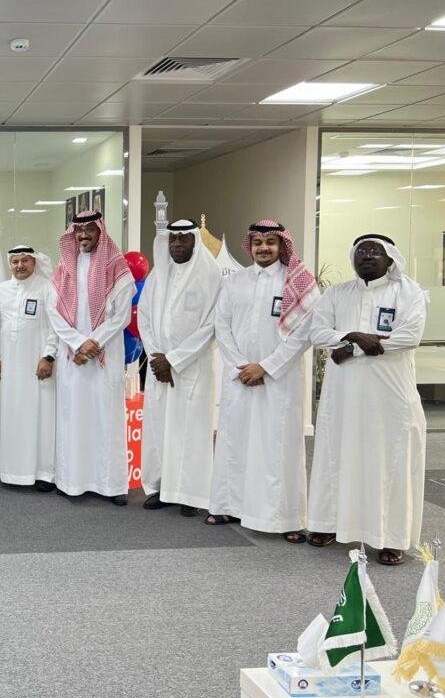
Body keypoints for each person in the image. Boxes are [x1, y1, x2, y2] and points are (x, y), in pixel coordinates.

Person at [307, 234, 428, 565]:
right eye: (361, 251)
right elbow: (317, 333)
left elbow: (409, 336)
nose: (367, 256)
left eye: (376, 251)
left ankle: (392, 538)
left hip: (390, 396)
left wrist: (350, 349)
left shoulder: (409, 292)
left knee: (389, 460)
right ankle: (328, 524)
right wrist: (353, 338)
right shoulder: (336, 293)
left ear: (390, 259)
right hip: (343, 395)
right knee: (337, 455)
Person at [208, 220, 318, 543]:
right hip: (239, 377)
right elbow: (221, 326)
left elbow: (303, 334)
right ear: (250, 246)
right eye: (258, 242)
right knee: (235, 442)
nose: (263, 248)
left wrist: (266, 367)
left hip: (279, 380)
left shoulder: (298, 283)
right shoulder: (235, 281)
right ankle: (229, 506)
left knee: (277, 446)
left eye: (270, 241)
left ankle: (286, 518)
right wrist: (241, 365)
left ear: (282, 244)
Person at [48, 211, 134, 504]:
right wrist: (78, 343)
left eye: (89, 229)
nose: (83, 235)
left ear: (100, 231)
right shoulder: (64, 267)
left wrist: (92, 343)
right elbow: (54, 313)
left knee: (107, 419)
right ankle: (71, 482)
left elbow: (122, 316)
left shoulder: (117, 266)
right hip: (73, 356)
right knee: (73, 418)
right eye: (78, 230)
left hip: (104, 355)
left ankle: (112, 486)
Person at [139, 219, 221, 517]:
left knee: (190, 430)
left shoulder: (210, 275)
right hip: (158, 366)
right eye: (173, 239)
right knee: (159, 427)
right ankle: (160, 487)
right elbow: (144, 317)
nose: (176, 244)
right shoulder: (158, 274)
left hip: (191, 368)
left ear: (195, 241)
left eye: (183, 238)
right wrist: (156, 356)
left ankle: (190, 493)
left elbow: (212, 325)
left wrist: (173, 359)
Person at [0, 245, 58, 490]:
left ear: (34, 262)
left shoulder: (47, 287)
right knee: (12, 414)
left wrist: (49, 355)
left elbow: (55, 326)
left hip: (37, 363)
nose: (20, 266)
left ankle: (43, 473)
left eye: (25, 261)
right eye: (15, 262)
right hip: (10, 364)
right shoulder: (2, 290)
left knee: (40, 416)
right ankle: (12, 472)